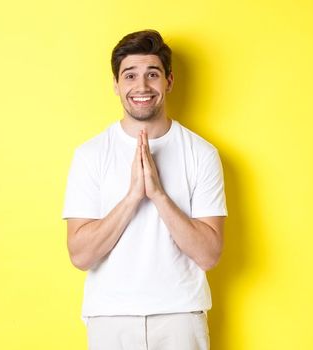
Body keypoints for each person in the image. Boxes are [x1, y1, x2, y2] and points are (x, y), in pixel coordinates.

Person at [61, 30, 228, 349]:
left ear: (169, 81)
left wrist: (159, 195)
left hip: (181, 315)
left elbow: (209, 254)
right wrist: (132, 197)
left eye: (152, 74)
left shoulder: (201, 154)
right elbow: (80, 255)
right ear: (115, 84)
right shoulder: (91, 154)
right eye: (130, 75)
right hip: (110, 318)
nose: (141, 87)